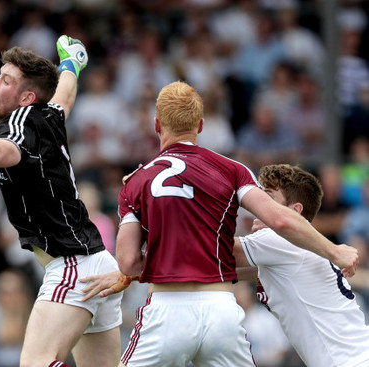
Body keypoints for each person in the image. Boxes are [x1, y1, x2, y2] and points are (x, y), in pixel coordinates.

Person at [80, 81, 358, 367]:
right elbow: (278, 219)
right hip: (221, 310)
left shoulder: (137, 181)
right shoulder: (232, 169)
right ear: (200, 125)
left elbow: (128, 261)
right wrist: (334, 250)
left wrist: (126, 274)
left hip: (167, 312)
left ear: (156, 124)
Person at [0, 36, 123, 367]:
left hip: (72, 264)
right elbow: (65, 95)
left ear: (26, 97)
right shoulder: (48, 114)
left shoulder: (19, 122)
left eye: (5, 81)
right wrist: (72, 65)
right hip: (97, 263)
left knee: (36, 363)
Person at [233, 164, 369, 367]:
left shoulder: (280, 240)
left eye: (268, 199)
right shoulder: (294, 249)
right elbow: (225, 271)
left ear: (295, 211)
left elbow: (221, 253)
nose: (257, 208)